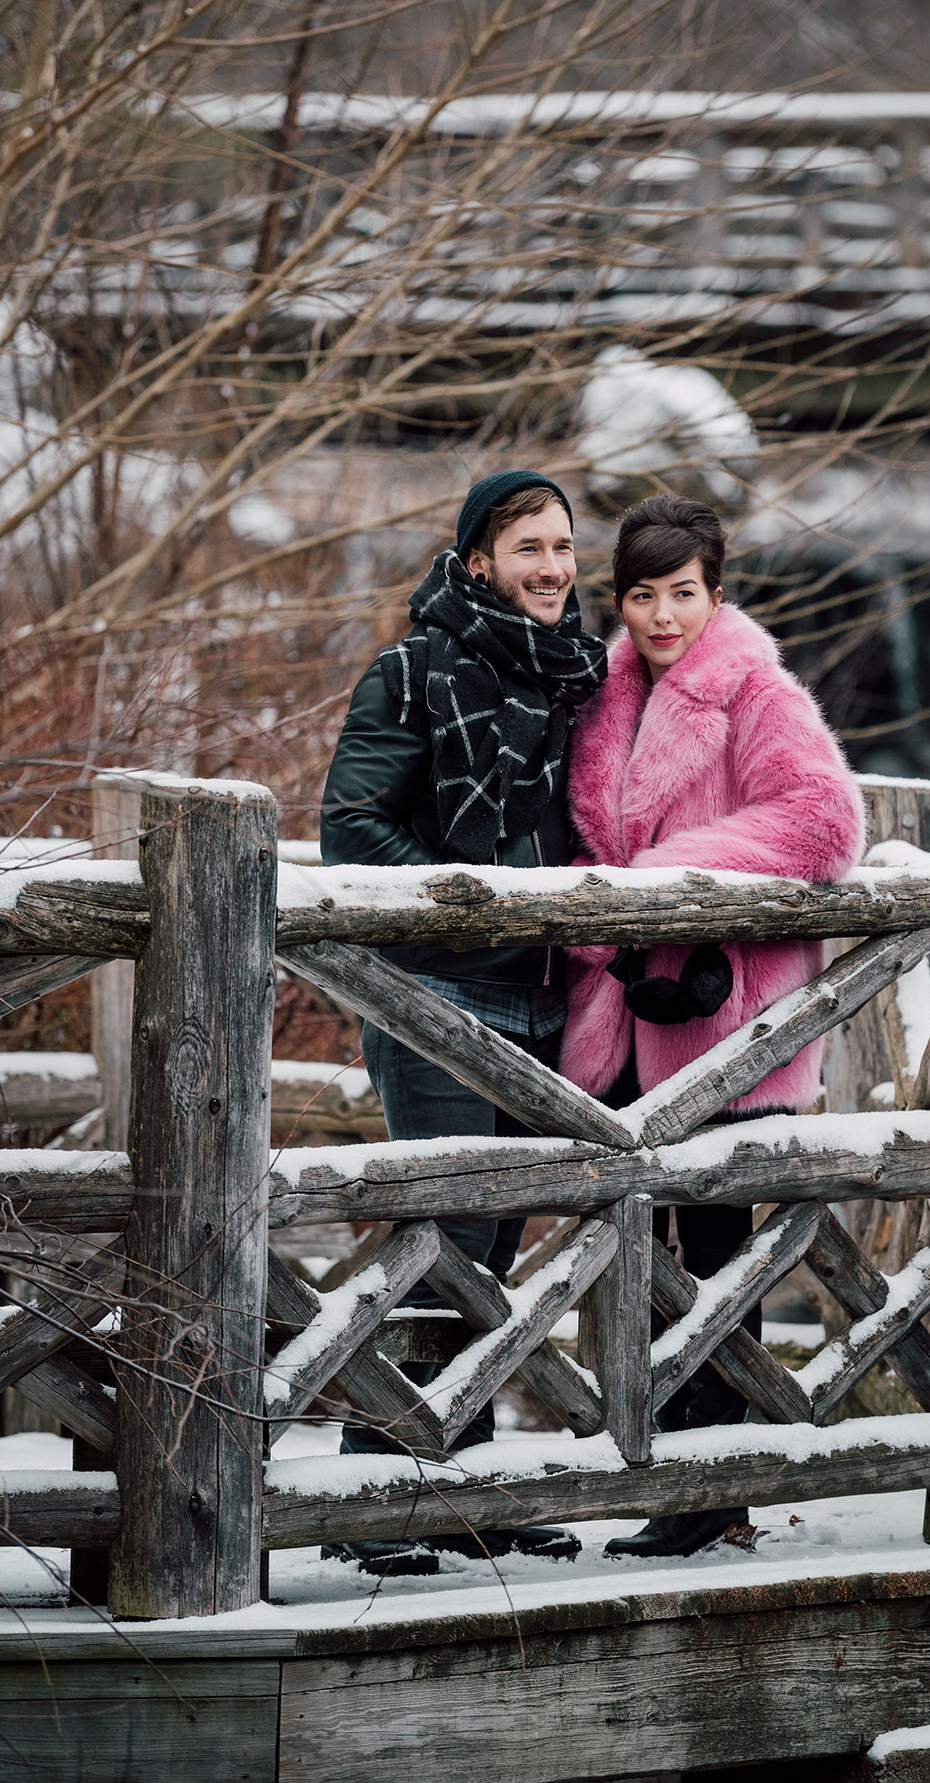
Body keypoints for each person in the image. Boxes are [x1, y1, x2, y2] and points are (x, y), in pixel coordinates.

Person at [561, 492, 865, 1559]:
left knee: (715, 1253)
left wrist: (673, 875)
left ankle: (710, 1493)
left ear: (715, 593)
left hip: (729, 1026)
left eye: (681, 594)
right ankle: (677, 1482)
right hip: (630, 1015)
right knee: (643, 1254)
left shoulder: (755, 690)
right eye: (641, 596)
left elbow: (827, 821)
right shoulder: (604, 694)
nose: (661, 616)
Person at [318, 470, 607, 1573]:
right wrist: (475, 907)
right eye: (527, 547)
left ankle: (457, 1488)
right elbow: (353, 828)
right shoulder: (411, 670)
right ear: (477, 560)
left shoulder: (580, 675)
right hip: (434, 992)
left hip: (546, 999)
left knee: (487, 1255)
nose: (550, 567)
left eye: (564, 548)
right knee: (437, 1245)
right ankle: (378, 1493)